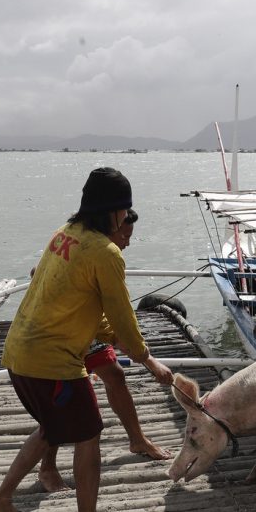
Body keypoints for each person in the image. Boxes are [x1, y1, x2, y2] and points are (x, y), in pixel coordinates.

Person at [0, 167, 174, 512]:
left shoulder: (64, 234)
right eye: (125, 210)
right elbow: (123, 316)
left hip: (19, 353)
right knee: (89, 436)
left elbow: (85, 307)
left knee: (50, 429)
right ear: (116, 211)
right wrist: (145, 356)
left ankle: (0, 499)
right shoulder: (105, 252)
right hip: (52, 362)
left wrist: (127, 347)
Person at [36, 209, 172, 495]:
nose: (127, 242)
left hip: (91, 329)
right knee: (62, 403)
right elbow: (41, 275)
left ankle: (137, 440)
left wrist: (139, 353)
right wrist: (150, 362)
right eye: (124, 234)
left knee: (115, 374)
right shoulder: (93, 250)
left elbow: (109, 312)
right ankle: (47, 467)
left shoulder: (104, 256)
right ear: (109, 229)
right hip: (61, 338)